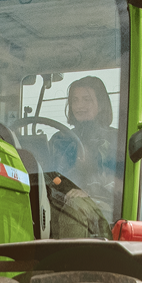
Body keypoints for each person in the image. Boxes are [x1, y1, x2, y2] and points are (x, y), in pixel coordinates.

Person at [47, 76, 122, 237]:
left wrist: (89, 191)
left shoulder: (117, 140)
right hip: (62, 201)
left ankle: (71, 261)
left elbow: (122, 182)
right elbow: (51, 178)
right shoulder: (58, 140)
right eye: (75, 100)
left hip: (104, 206)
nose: (79, 106)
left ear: (101, 104)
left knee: (75, 208)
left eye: (86, 99)